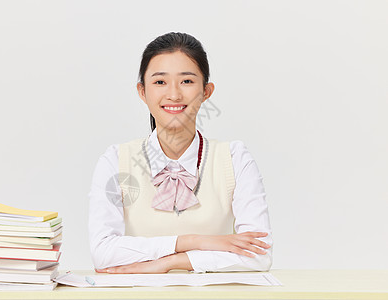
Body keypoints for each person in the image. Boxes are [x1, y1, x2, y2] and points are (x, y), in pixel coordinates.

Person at [88, 32, 272, 274]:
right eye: (160, 82)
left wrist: (170, 262)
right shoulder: (116, 161)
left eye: (186, 81)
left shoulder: (234, 158)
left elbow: (260, 255)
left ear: (207, 91)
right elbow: (102, 253)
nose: (173, 94)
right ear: (142, 92)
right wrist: (192, 242)